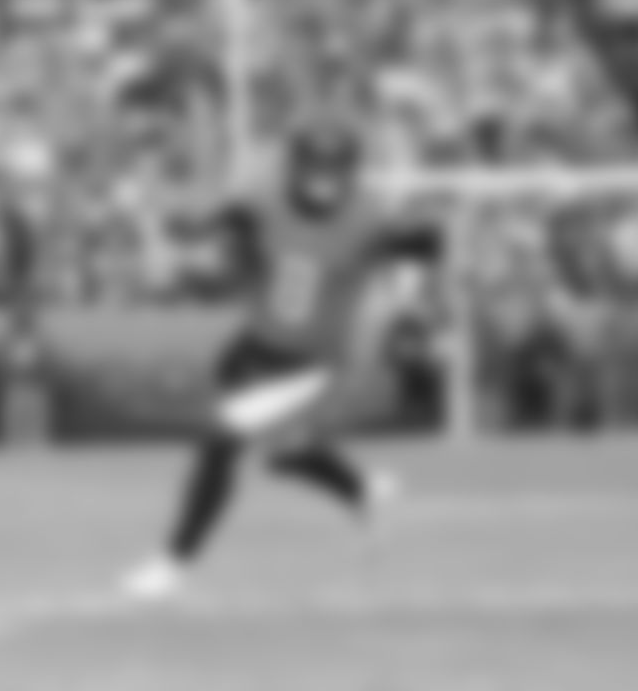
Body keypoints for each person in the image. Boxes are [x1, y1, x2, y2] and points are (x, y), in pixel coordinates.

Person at [122, 125, 441, 600]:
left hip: (308, 366)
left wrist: (426, 237)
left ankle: (175, 561)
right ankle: (360, 489)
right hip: (250, 349)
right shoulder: (263, 203)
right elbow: (204, 226)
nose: (324, 181)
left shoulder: (367, 219)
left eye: (336, 171)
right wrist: (156, 214)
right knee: (282, 455)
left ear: (351, 174)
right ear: (295, 168)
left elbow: (427, 243)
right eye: (315, 169)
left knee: (221, 437)